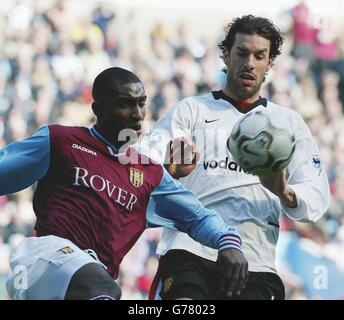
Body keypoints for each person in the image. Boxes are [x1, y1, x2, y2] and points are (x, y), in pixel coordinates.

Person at [0, 67, 248, 300]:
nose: (137, 114)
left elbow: (198, 217)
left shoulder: (150, 174)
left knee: (104, 287)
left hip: (91, 282)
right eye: (124, 104)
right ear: (98, 108)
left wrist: (228, 243)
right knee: (104, 287)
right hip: (43, 261)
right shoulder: (61, 141)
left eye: (141, 103)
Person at [141, 15, 331, 300]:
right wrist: (169, 170)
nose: (249, 63)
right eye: (242, 53)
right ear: (227, 55)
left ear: (269, 64)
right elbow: (141, 168)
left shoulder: (287, 124)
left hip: (256, 261)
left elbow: (316, 197)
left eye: (259, 56)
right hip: (190, 250)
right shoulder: (190, 110)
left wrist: (283, 191)